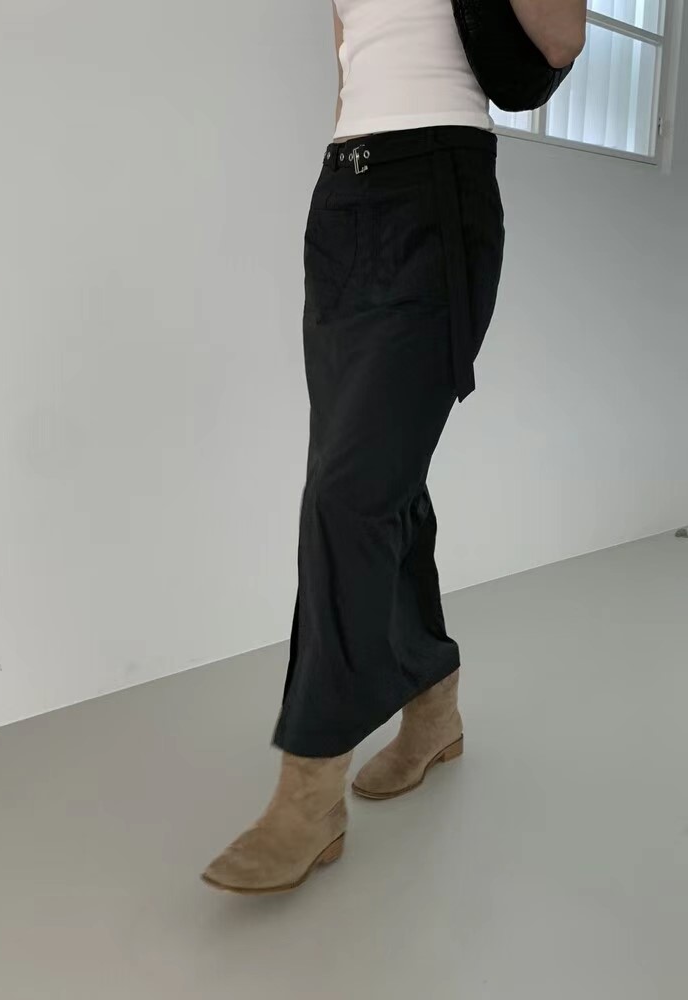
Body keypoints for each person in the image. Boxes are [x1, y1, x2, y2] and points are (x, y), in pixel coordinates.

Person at [202, 0, 586, 895]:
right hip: (344, 195)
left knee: (349, 494)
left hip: (436, 189)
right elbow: (353, 59)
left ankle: (309, 790)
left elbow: (561, 36)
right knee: (377, 479)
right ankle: (434, 705)